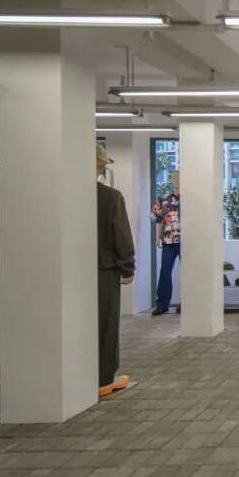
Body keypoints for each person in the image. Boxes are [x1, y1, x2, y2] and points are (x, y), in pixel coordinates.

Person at [96, 144, 135, 396]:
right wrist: (127, 267)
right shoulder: (110, 197)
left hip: (70, 273)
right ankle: (103, 377)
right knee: (106, 325)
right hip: (104, 270)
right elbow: (121, 235)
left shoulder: (61, 196)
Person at [151, 170, 180, 315]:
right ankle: (162, 304)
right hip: (169, 239)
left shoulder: (191, 199)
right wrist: (157, 237)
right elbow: (157, 219)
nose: (176, 180)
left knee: (189, 272)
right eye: (174, 177)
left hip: (187, 240)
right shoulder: (163, 199)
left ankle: (188, 302)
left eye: (178, 177)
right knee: (165, 271)